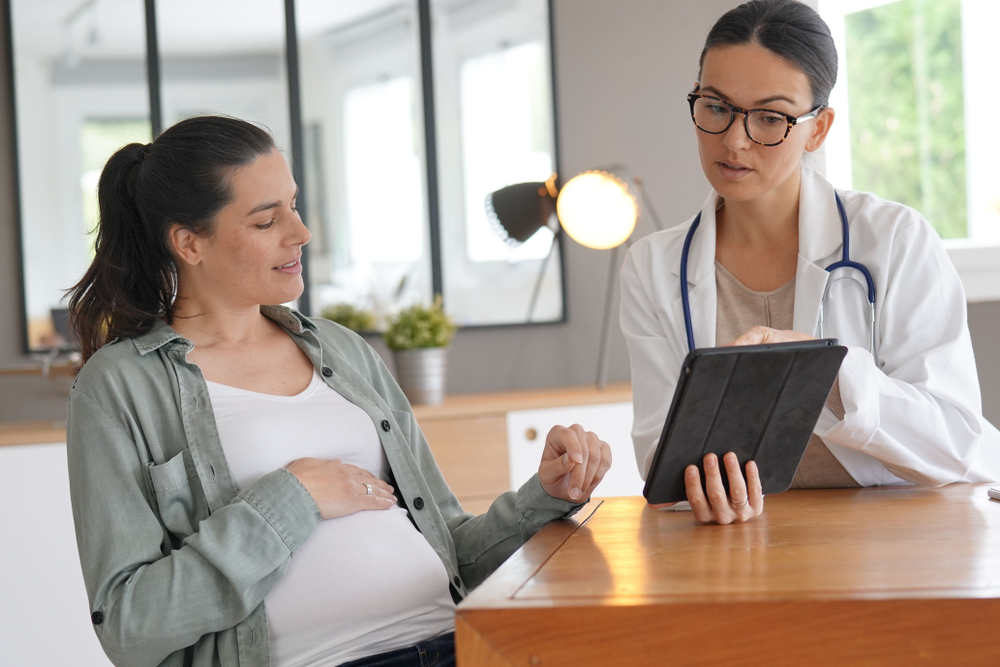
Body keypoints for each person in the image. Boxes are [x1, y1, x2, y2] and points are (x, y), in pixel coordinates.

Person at [66, 115, 613, 667]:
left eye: (294, 205)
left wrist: (545, 495)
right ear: (189, 243)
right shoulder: (119, 387)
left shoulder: (341, 351)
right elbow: (130, 627)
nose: (300, 233)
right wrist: (290, 500)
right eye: (265, 221)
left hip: (458, 645)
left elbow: (451, 547)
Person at [621, 0, 1000, 525]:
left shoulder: (894, 239)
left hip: (913, 534)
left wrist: (826, 370)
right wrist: (703, 490)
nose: (734, 139)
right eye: (715, 106)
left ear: (818, 129)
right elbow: (660, 462)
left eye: (770, 117)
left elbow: (955, 440)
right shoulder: (652, 267)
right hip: (750, 546)